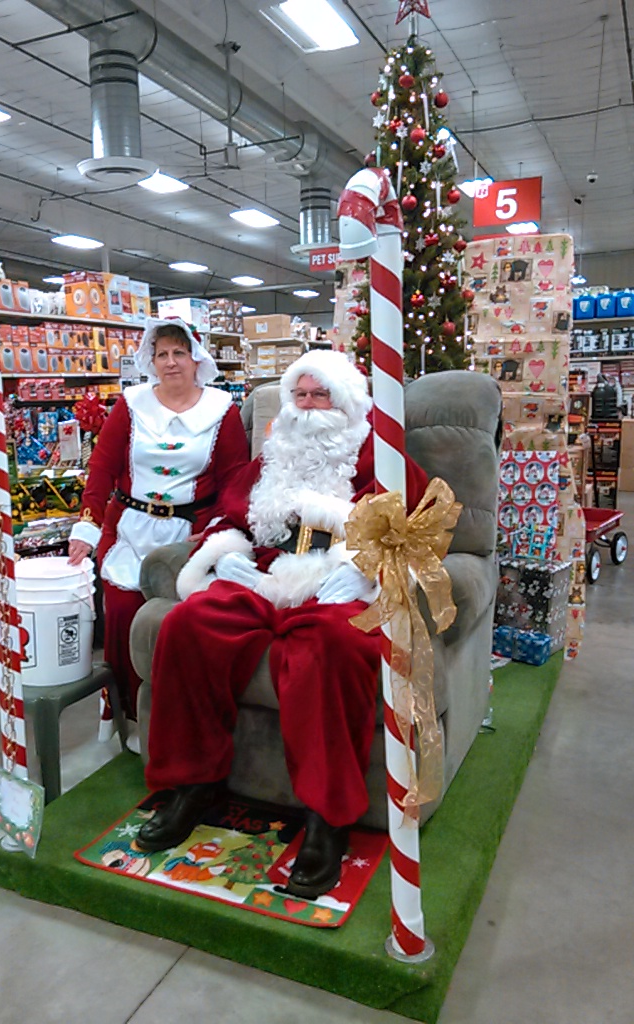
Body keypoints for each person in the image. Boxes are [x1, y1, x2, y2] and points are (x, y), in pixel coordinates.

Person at [134, 350, 428, 899]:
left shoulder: (380, 456)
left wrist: (365, 570)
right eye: (301, 395)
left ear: (347, 403)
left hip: (336, 582)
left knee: (335, 646)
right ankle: (194, 784)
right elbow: (228, 514)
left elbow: (415, 529)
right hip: (267, 574)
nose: (308, 406)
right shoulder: (274, 454)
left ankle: (327, 817)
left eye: (321, 395)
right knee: (189, 623)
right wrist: (225, 552)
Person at [67, 317, 249, 749]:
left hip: (189, 536)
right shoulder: (131, 405)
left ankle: (178, 721)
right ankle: (127, 716)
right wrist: (86, 527)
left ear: (196, 359)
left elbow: (235, 479)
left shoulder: (222, 410)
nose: (171, 362)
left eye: (179, 353)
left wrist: (220, 531)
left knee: (177, 626)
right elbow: (102, 468)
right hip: (128, 532)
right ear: (151, 361)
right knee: (123, 617)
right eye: (162, 354)